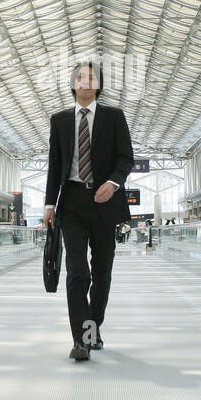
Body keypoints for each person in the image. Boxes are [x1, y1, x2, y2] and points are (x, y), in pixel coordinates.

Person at [43, 60, 134, 361]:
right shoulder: (59, 120)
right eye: (80, 77)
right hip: (72, 204)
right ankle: (81, 339)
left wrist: (113, 182)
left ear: (98, 85)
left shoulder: (114, 117)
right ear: (73, 84)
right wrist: (48, 205)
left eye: (91, 77)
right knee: (78, 270)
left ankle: (94, 327)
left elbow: (126, 159)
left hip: (105, 202)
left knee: (102, 272)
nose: (85, 81)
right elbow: (55, 167)